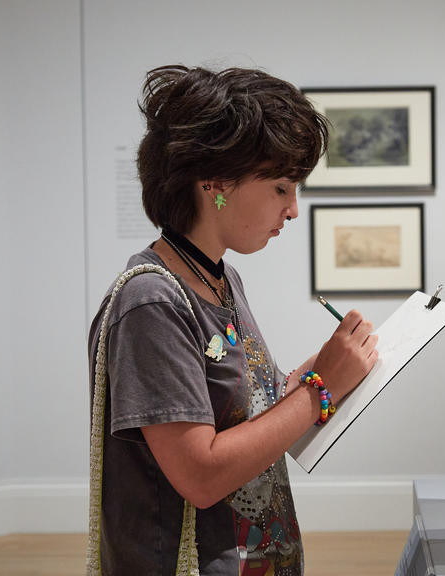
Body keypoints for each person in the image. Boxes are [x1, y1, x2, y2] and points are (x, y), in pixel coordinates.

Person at [87, 65, 379, 576]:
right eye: (281, 187)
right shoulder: (153, 302)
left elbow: (249, 412)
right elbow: (200, 474)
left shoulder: (221, 279)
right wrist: (320, 387)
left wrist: (323, 369)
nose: (293, 210)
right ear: (216, 182)